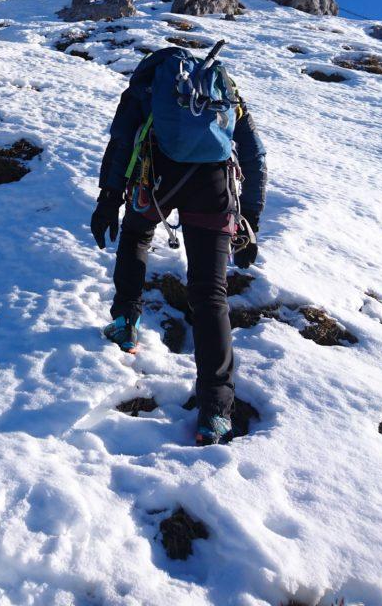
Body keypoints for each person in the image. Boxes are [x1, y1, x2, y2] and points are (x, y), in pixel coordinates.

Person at [90, 42, 267, 445]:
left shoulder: (149, 84)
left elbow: (121, 143)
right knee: (211, 294)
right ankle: (216, 412)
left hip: (157, 179)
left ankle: (125, 324)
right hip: (214, 186)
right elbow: (254, 153)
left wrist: (108, 201)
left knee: (136, 235)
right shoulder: (223, 88)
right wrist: (250, 218)